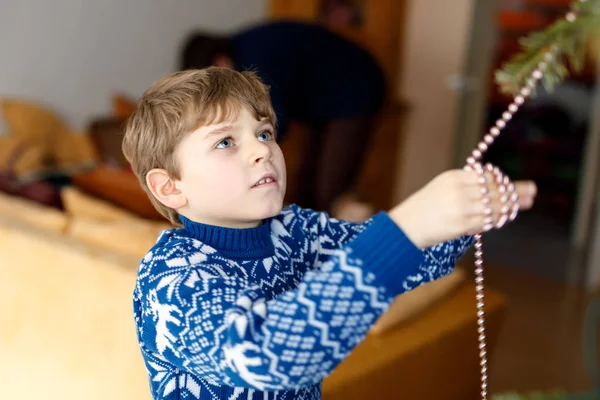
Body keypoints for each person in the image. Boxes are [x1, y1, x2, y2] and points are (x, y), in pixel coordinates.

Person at [122, 67, 537, 400]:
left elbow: (412, 263)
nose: (262, 149)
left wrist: (464, 214)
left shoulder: (298, 231)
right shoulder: (171, 280)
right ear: (170, 187)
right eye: (226, 141)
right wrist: (406, 226)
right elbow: (269, 355)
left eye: (264, 133)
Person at [180, 21, 387, 214]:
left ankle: (371, 243)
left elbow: (272, 119)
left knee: (332, 190)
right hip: (325, 102)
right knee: (306, 187)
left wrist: (242, 159)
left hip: (355, 88)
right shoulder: (246, 48)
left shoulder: (255, 59)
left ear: (219, 62)